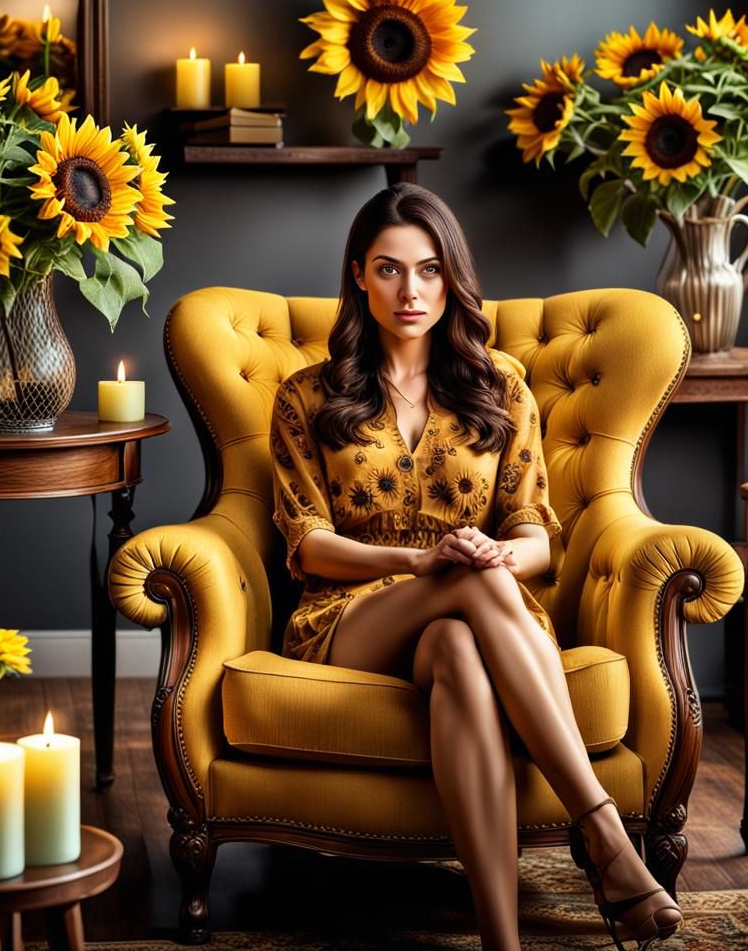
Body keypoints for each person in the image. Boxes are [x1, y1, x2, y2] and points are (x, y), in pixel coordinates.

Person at [269, 183, 682, 951]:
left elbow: (537, 538)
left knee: (458, 646)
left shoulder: (501, 386)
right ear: (358, 274)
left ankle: (502, 941)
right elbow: (308, 542)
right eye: (389, 269)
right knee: (470, 578)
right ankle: (601, 828)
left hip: (477, 613)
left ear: (451, 277)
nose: (411, 291)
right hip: (348, 615)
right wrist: (418, 560)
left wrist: (493, 553)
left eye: (429, 270)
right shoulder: (307, 396)